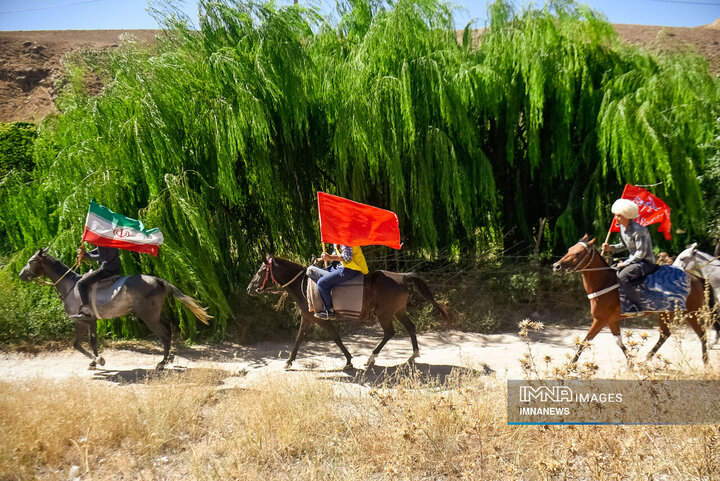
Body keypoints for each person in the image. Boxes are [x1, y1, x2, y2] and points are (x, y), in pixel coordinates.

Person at [601, 198, 658, 311]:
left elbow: (641, 253)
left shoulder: (639, 230)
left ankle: (637, 305)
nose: (616, 218)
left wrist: (625, 263)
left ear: (627, 215)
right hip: (634, 261)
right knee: (610, 272)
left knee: (622, 276)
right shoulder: (622, 228)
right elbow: (623, 245)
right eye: (616, 215)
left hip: (646, 262)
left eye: (618, 216)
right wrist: (610, 248)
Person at [308, 244, 369, 320]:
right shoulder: (336, 238)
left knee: (321, 283)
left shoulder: (345, 237)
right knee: (318, 271)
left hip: (350, 268)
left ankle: (329, 311)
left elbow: (347, 257)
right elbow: (336, 253)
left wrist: (330, 257)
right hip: (340, 266)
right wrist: (323, 258)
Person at [70, 243, 122, 320]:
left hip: (106, 270)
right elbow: (100, 250)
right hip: (116, 269)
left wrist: (87, 255)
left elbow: (101, 256)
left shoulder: (101, 239)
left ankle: (85, 311)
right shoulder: (109, 237)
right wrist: (86, 253)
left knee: (81, 284)